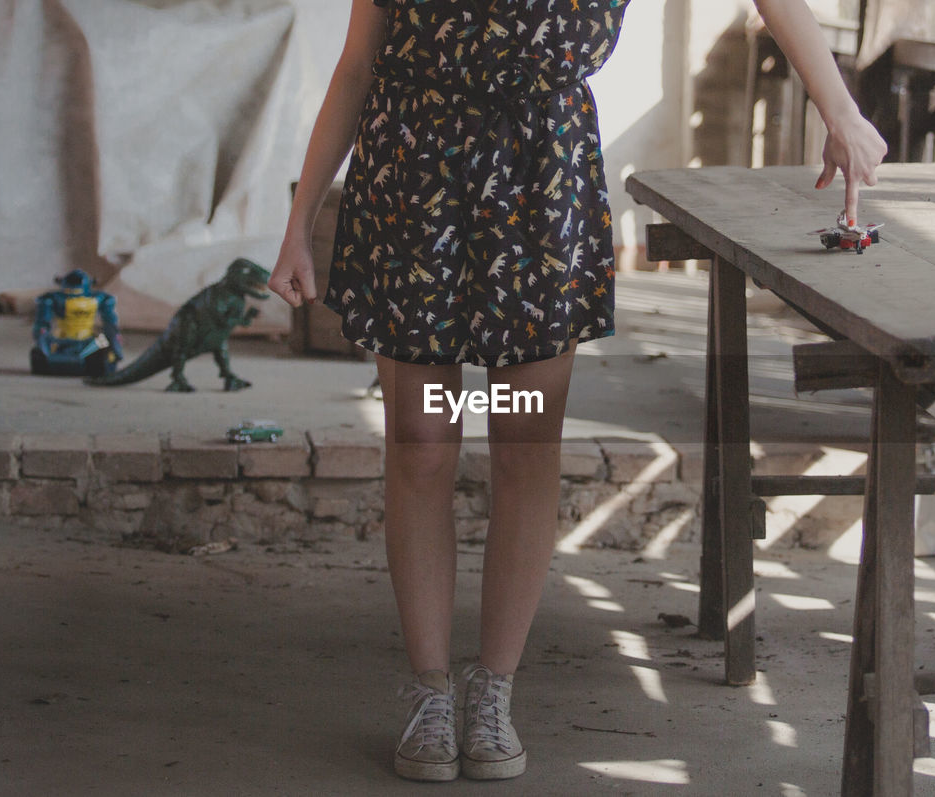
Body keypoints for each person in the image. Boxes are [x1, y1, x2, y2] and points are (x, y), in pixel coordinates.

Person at [268, 0, 886, 783]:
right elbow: (358, 63)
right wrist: (298, 222)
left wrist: (838, 108)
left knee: (523, 441)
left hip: (538, 177)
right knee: (423, 439)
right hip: (412, 173)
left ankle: (493, 689)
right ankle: (429, 690)